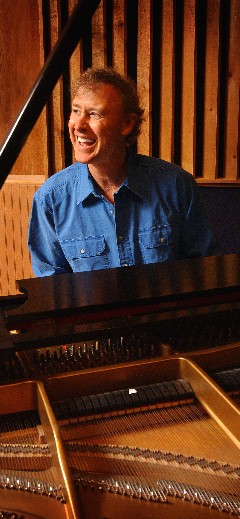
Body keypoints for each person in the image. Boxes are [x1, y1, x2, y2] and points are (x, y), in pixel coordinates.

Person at [28, 67, 218, 277]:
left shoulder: (176, 185)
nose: (78, 125)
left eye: (93, 113)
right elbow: (53, 290)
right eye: (75, 110)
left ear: (127, 123)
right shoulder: (50, 199)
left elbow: (203, 273)